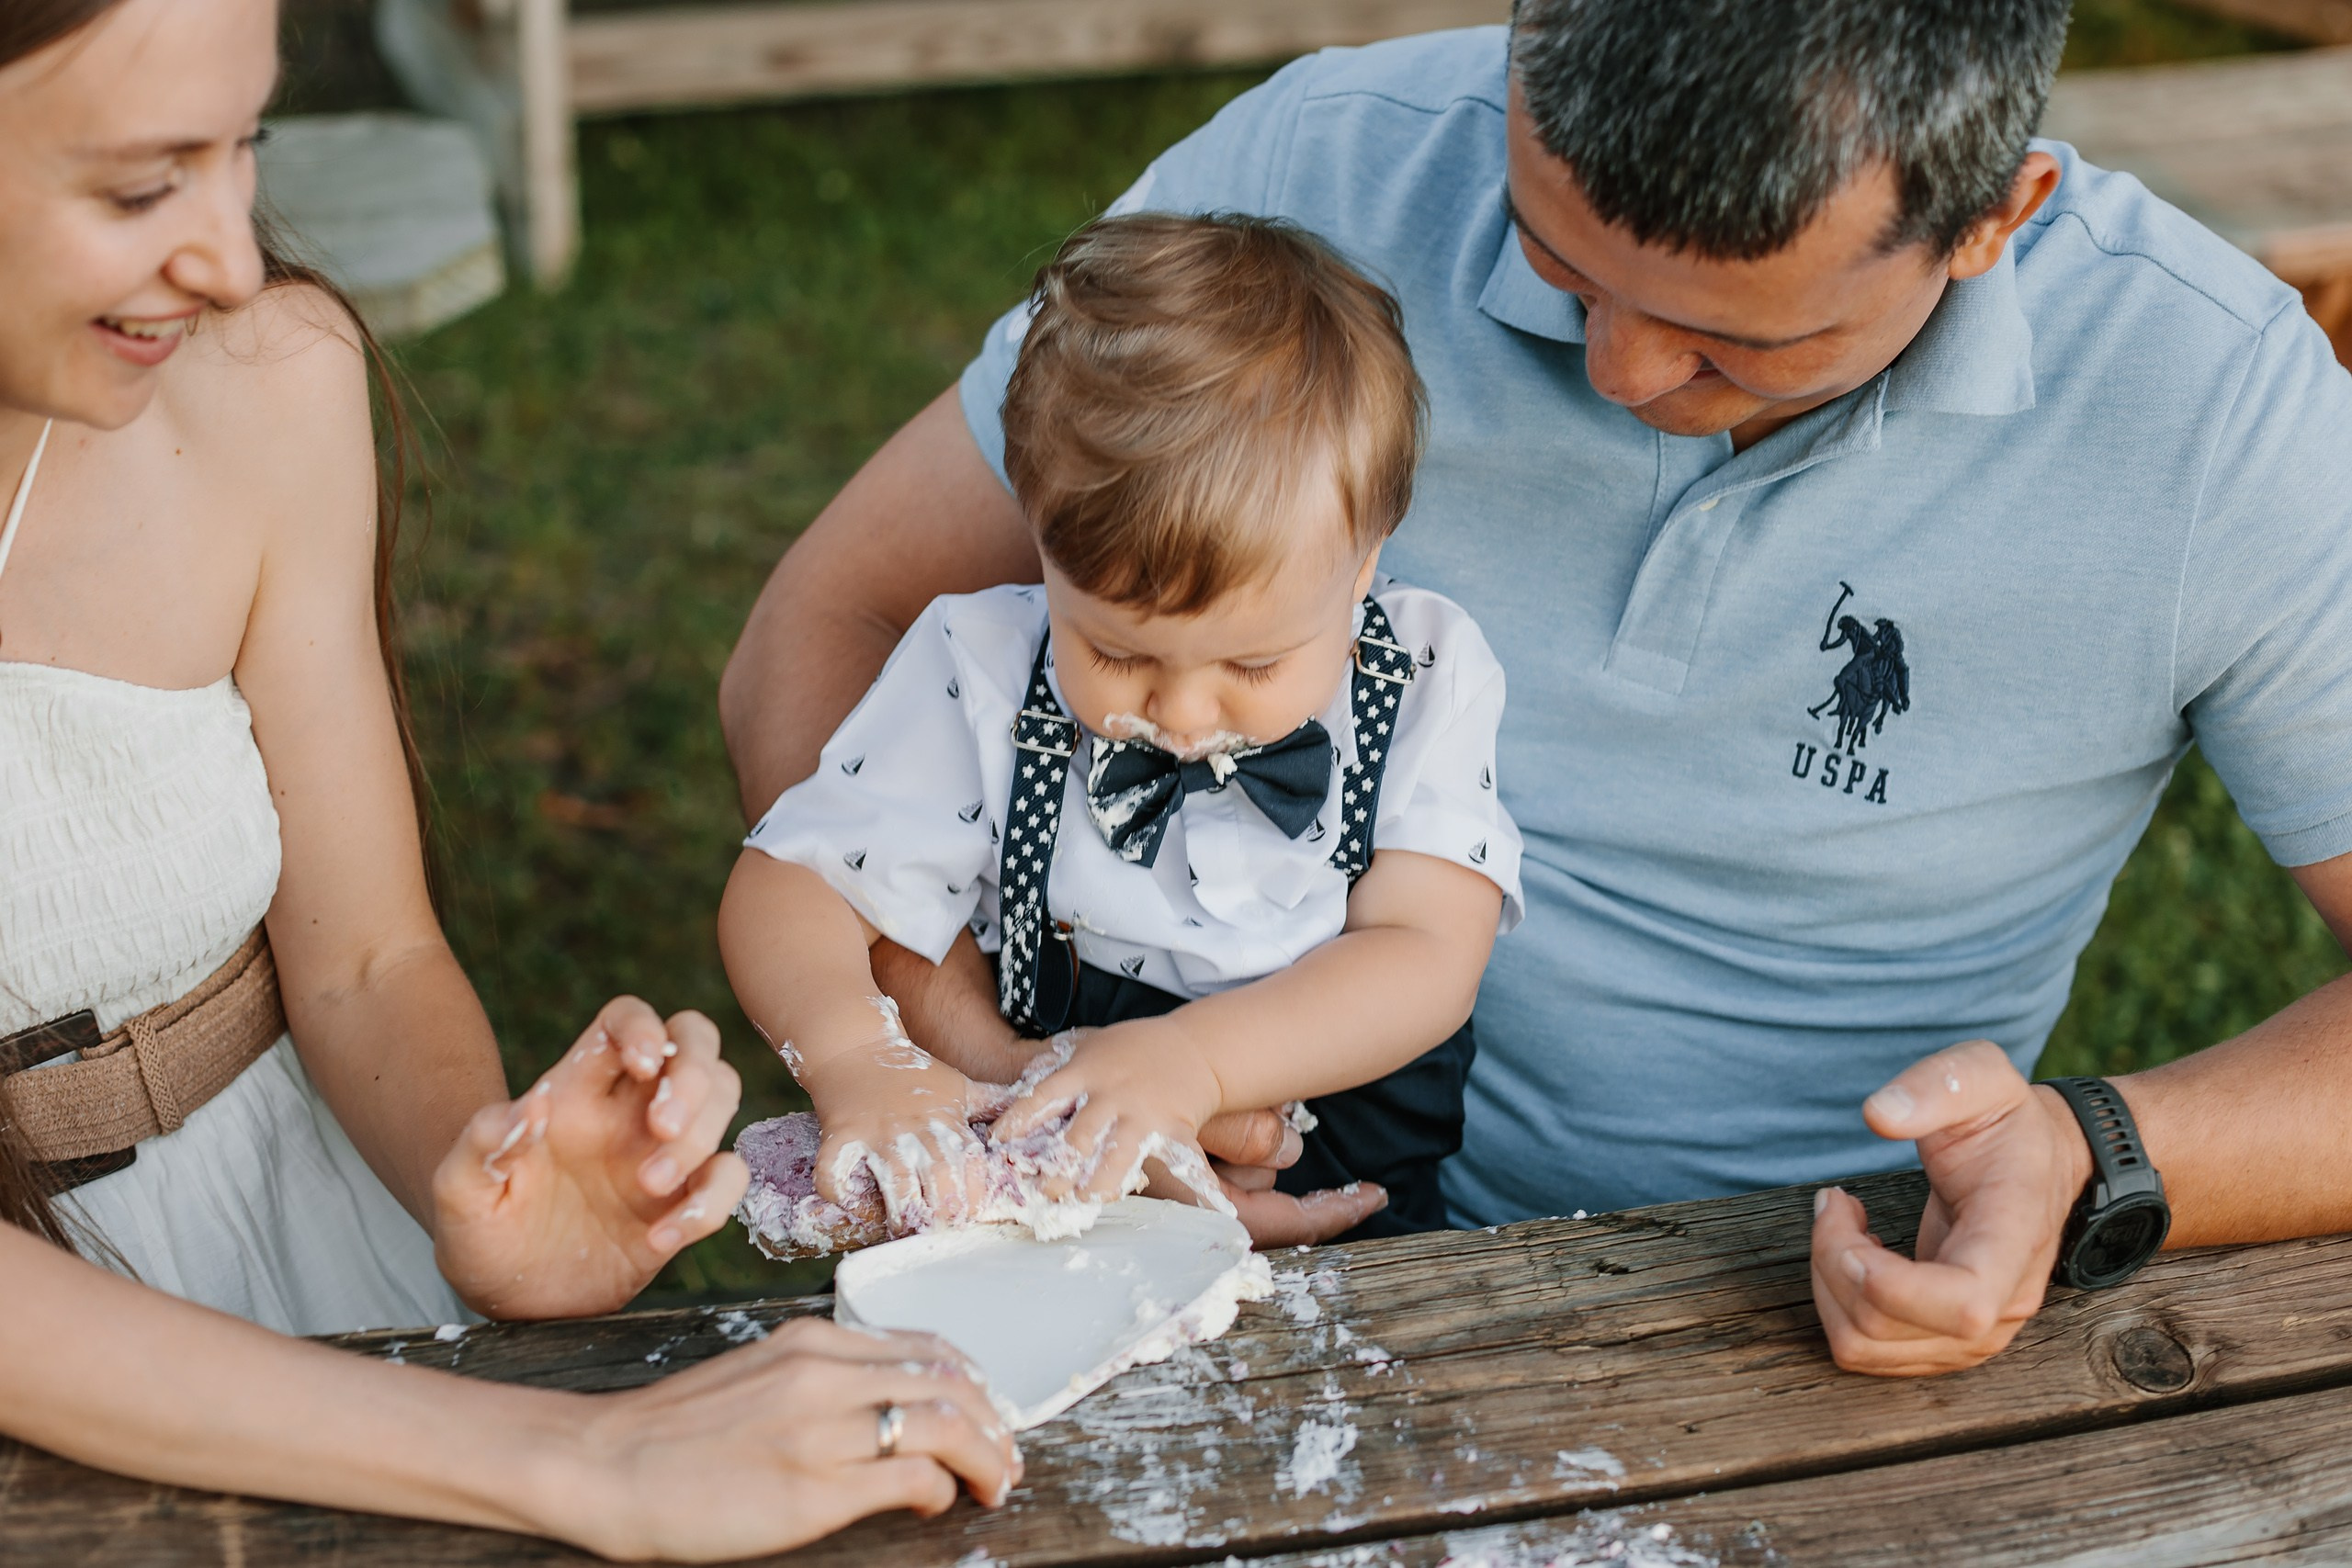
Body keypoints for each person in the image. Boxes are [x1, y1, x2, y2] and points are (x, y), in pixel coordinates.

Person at [723, 0, 2352, 1378]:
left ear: (1999, 218)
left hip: (1777, 1315)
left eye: (1734, 344)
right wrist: (997, 1066)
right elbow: (841, 618)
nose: (1625, 377)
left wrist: (2100, 1151)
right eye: (1558, 266)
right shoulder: (1320, 175)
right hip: (1148, 1242)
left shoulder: (2217, 417)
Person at [0, 0, 1016, 1554]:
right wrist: (590, 1463)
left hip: (283, 1228)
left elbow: (363, 952)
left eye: (243, 150)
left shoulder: (267, 375)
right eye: (144, 185)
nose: (222, 255)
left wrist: (482, 1191)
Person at [719, 214, 1521, 1242]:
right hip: (1043, 1183)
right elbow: (791, 882)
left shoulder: (1419, 674)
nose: (1180, 716)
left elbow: (1424, 954)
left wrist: (1196, 1067)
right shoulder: (984, 672)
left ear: (1363, 565)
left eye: (1253, 663)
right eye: (1120, 654)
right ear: (1042, 543)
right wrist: (854, 1056)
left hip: (1340, 1194)